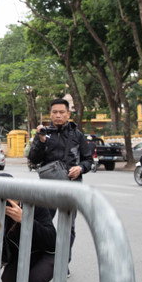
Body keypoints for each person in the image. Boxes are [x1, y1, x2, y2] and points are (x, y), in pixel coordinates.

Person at [26, 98, 93, 266]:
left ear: (68, 114)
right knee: (42, 225)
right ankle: (43, 259)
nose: (58, 115)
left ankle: (63, 262)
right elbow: (33, 159)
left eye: (61, 112)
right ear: (50, 114)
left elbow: (88, 160)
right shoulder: (43, 134)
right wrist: (40, 142)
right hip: (47, 187)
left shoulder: (77, 135)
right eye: (54, 112)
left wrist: (80, 168)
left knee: (67, 227)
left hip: (71, 186)